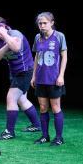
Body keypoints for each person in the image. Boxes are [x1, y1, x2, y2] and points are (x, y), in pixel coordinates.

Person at [0, 16, 41, 140]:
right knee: (22, 99)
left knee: (11, 97)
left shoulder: (15, 33)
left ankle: (9, 132)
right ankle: (36, 125)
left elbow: (16, 47)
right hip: (14, 73)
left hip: (25, 71)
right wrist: (7, 45)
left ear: (3, 27)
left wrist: (5, 35)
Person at [31, 12, 67, 146]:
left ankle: (59, 138)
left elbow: (64, 57)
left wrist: (61, 75)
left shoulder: (59, 36)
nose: (42, 25)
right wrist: (34, 76)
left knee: (56, 107)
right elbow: (36, 57)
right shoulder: (37, 37)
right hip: (40, 79)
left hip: (53, 79)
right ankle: (45, 136)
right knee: (42, 107)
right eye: (40, 23)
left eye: (45, 23)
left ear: (52, 23)